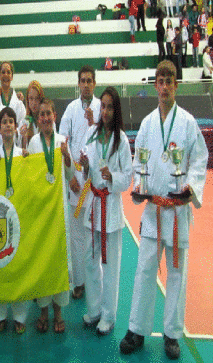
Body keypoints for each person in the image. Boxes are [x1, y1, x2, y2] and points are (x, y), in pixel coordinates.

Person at [119, 60, 208, 360]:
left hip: (178, 210)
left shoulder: (188, 122)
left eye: (170, 81)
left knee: (177, 274)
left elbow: (200, 159)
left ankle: (172, 334)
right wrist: (139, 186)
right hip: (153, 210)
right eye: (161, 81)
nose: (165, 86)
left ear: (176, 86)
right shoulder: (146, 124)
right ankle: (137, 330)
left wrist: (191, 188)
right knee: (144, 270)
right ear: (155, 85)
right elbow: (139, 162)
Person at [79, 87, 132, 336]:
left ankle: (108, 316)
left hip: (109, 206)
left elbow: (128, 176)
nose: (105, 111)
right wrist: (85, 166)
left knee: (110, 265)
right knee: (90, 260)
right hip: (93, 203)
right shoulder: (91, 133)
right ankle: (94, 309)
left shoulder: (121, 140)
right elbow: (87, 169)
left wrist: (113, 177)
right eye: (103, 106)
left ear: (116, 110)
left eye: (110, 107)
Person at [27, 98, 74, 334]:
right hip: (40, 212)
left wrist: (66, 157)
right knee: (42, 262)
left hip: (59, 210)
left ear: (55, 116)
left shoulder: (62, 141)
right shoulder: (33, 143)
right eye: (42, 114)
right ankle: (43, 311)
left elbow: (71, 174)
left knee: (59, 262)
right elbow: (28, 175)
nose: (45, 118)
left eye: (49, 114)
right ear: (38, 119)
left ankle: (59, 311)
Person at [59, 65, 101, 301]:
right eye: (82, 80)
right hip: (75, 180)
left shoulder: (101, 107)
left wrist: (95, 123)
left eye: (89, 81)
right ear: (78, 84)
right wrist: (70, 177)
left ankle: (94, 280)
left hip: (94, 182)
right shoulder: (71, 109)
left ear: (94, 83)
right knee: (76, 236)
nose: (85, 84)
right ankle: (79, 282)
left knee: (93, 234)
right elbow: (62, 142)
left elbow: (106, 139)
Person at [0, 107, 29, 334]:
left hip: (18, 215)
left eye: (11, 121)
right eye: (3, 122)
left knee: (18, 266)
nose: (7, 125)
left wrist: (29, 163)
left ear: (15, 126)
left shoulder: (23, 154)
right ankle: (0, 315)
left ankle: (20, 316)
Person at [0, 61, 26, 128]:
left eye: (8, 72)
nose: (6, 75)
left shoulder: (19, 102)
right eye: (3, 72)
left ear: (12, 77)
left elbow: (22, 125)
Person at [18, 80, 45, 149]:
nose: (34, 103)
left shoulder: (47, 120)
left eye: (37, 99)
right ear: (27, 100)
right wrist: (23, 138)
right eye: (31, 98)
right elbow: (21, 150)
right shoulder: (23, 123)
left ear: (41, 100)